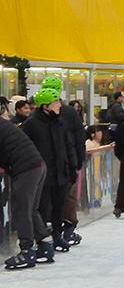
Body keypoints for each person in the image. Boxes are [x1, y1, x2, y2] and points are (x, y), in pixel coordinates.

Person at [21, 88, 74, 256]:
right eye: (56, 102)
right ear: (45, 106)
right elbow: (25, 147)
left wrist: (72, 166)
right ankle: (42, 240)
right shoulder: (31, 124)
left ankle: (57, 235)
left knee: (58, 206)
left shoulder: (60, 122)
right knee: (42, 207)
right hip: (41, 173)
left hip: (60, 172)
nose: (59, 105)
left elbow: (68, 145)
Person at [1, 117, 51, 270]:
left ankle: (27, 250)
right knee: (31, 209)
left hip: (26, 169)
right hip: (38, 165)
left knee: (21, 210)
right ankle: (44, 246)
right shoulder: (5, 124)